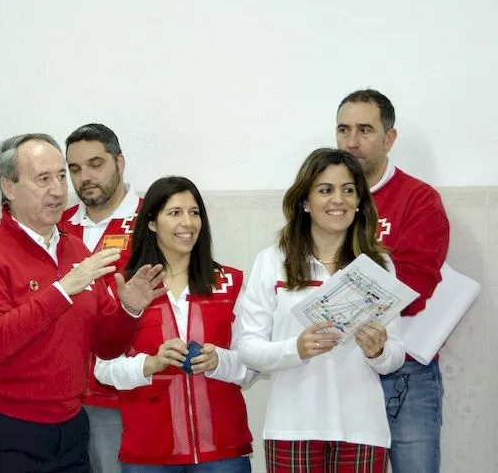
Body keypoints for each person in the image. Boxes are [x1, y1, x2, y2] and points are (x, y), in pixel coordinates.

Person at [0, 133, 167, 473]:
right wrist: (63, 290)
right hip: (2, 427)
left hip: (69, 425)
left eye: (60, 176)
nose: (57, 189)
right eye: (43, 179)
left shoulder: (76, 252)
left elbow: (105, 345)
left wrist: (129, 310)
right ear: (9, 188)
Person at [236, 148, 405, 473]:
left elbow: (395, 355)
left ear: (359, 202)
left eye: (348, 190)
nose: (337, 200)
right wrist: (294, 349)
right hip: (292, 429)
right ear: (304, 201)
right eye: (325, 190)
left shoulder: (378, 265)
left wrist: (378, 351)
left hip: (362, 429)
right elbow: (248, 349)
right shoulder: (272, 261)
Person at [95, 176, 254, 473]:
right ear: (152, 223)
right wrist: (151, 364)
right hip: (147, 455)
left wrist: (219, 361)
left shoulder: (230, 283)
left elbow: (252, 363)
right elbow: (103, 369)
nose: (188, 222)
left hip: (222, 454)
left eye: (195, 213)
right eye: (175, 213)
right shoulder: (126, 287)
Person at [336, 89, 450, 473]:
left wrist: (339, 295)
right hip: (341, 367)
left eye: (365, 130)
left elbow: (413, 292)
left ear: (390, 138)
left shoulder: (419, 199)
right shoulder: (324, 201)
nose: (351, 141)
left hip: (408, 374)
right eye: (343, 129)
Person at [60, 123, 143, 473]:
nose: (85, 177)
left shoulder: (152, 218)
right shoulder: (59, 224)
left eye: (96, 164)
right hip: (68, 394)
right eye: (75, 169)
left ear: (119, 162)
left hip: (134, 390)